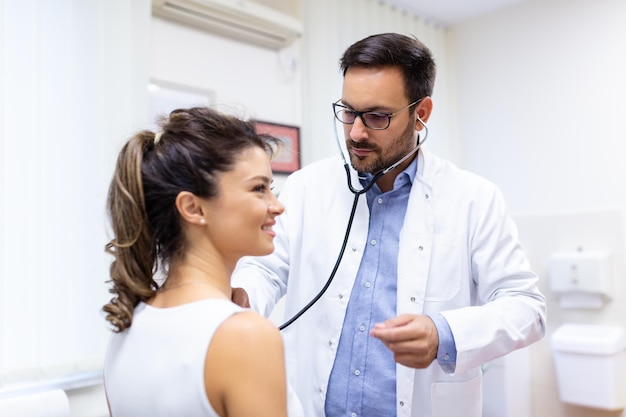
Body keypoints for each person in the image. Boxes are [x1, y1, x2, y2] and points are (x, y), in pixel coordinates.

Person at [232, 33, 547, 417]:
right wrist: (242, 295)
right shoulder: (305, 186)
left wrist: (444, 334)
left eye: (378, 116)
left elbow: (526, 307)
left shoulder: (473, 199)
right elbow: (264, 269)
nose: (356, 133)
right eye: (348, 111)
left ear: (422, 113)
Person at [102, 107, 301, 417]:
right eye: (259, 188)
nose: (277, 206)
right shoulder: (247, 337)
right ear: (193, 208)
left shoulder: (128, 325)